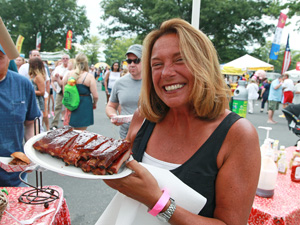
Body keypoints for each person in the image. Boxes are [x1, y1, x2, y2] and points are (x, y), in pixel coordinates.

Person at [103, 19, 260, 224]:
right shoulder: (143, 118)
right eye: (157, 64)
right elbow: (124, 176)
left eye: (180, 60)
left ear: (204, 64)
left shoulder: (237, 134)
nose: (167, 73)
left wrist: (157, 202)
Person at [0, 44, 41, 187]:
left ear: (8, 57)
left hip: (14, 175)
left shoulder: (23, 84)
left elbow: (30, 124)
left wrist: (33, 153)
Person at [105, 44, 143, 139]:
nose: (132, 64)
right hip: (126, 134)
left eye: (136, 61)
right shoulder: (119, 83)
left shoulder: (153, 81)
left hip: (149, 134)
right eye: (129, 61)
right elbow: (111, 106)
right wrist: (113, 116)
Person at [62, 53, 98, 130]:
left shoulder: (69, 74)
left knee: (71, 131)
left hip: (71, 104)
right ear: (86, 63)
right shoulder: (89, 76)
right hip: (84, 104)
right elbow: (95, 96)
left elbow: (63, 85)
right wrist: (94, 103)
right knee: (82, 131)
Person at [19, 49, 50, 131]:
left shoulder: (38, 77)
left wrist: (30, 91)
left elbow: (42, 92)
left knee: (38, 126)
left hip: (37, 104)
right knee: (34, 125)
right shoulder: (34, 76)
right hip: (32, 102)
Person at [50, 54, 70, 129]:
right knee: (57, 106)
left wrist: (61, 77)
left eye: (66, 58)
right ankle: (54, 124)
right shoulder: (58, 68)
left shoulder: (70, 68)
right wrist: (62, 78)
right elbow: (54, 78)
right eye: (63, 58)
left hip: (68, 91)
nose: (65, 60)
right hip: (59, 90)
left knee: (68, 107)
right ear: (61, 60)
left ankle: (67, 123)